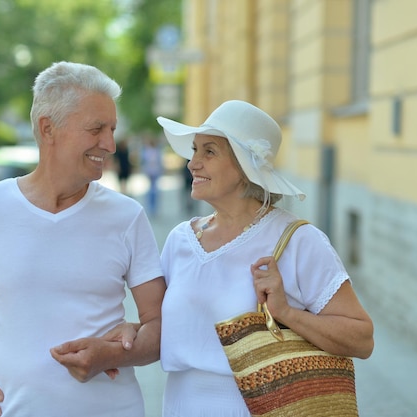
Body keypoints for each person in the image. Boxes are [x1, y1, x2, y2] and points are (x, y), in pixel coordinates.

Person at [0, 61, 166, 417]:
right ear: (48, 129)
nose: (109, 143)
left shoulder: (127, 216)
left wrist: (117, 354)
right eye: (96, 129)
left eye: (112, 129)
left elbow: (162, 326)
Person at [156, 100, 374, 417]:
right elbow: (159, 330)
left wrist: (285, 312)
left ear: (246, 169)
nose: (192, 164)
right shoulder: (180, 240)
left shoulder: (298, 240)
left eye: (210, 151)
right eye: (194, 150)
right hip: (180, 406)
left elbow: (362, 339)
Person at [140, 135, 164, 216]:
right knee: (152, 190)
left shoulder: (154, 151)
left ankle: (153, 207)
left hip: (154, 172)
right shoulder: (148, 151)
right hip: (150, 172)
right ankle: (151, 207)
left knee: (154, 190)